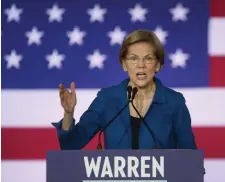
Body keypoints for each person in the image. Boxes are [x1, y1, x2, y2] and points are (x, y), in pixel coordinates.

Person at [52, 29, 197, 150]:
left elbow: (190, 160)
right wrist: (68, 113)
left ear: (158, 65)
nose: (141, 65)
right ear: (124, 64)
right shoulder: (107, 99)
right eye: (133, 58)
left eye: (148, 58)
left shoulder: (173, 102)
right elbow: (70, 145)